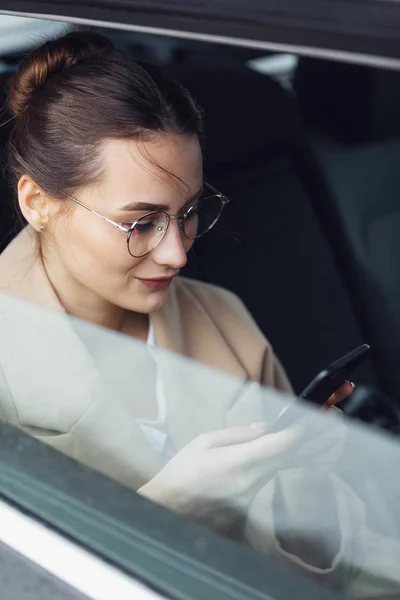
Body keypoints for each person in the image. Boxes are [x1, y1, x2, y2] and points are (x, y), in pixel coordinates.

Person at [0, 32, 399, 597]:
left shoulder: (221, 317)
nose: (178, 253)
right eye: (140, 223)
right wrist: (171, 508)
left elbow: (328, 567)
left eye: (188, 213)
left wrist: (305, 488)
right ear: (38, 203)